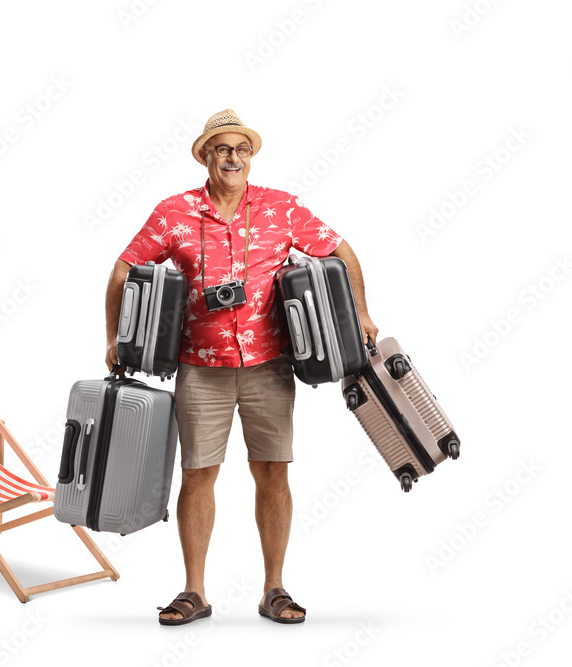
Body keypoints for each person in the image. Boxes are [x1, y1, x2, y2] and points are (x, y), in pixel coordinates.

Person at [104, 109, 378, 625]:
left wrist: (361, 313)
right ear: (205, 156)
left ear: (250, 156)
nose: (233, 158)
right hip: (199, 366)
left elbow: (341, 250)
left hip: (269, 365)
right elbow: (124, 268)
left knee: (272, 471)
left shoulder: (281, 207)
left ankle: (274, 588)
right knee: (197, 475)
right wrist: (115, 337)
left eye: (241, 149)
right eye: (222, 149)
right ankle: (194, 591)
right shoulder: (173, 212)